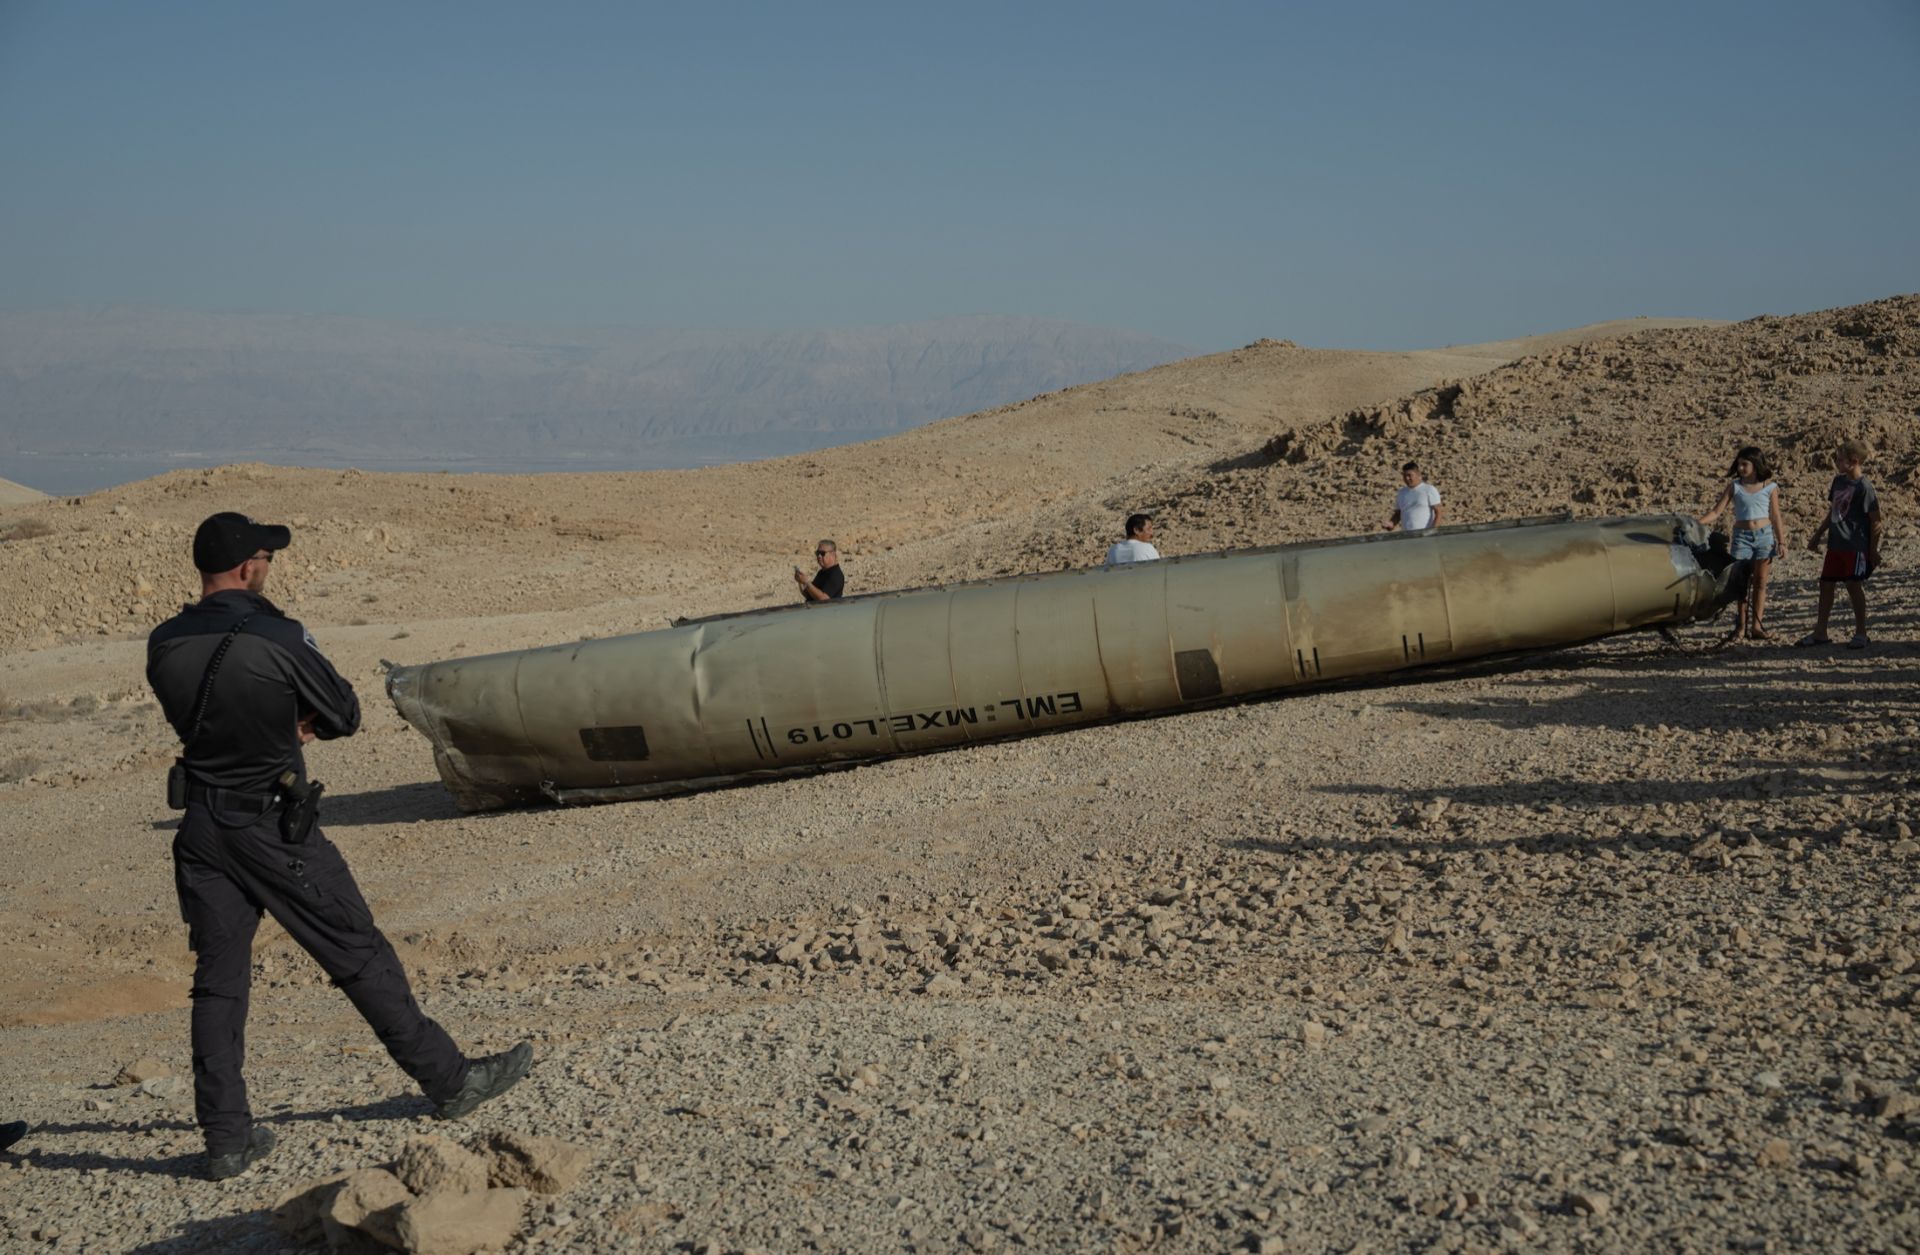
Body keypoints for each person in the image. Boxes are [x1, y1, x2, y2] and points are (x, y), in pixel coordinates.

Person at [148, 512, 533, 1181]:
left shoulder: (163, 641)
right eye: (266, 556)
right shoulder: (278, 634)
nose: (270, 565)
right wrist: (293, 725)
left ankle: (227, 1138)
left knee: (218, 984)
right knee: (356, 949)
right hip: (271, 825)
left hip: (202, 828)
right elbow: (345, 713)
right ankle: (450, 1079)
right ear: (247, 568)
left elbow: (201, 719)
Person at [1798, 441, 1882, 649]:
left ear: (1853, 462)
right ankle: (1820, 632)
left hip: (1855, 546)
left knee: (1853, 586)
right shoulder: (1838, 482)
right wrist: (1818, 535)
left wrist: (1872, 551)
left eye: (1839, 459)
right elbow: (1833, 512)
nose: (1835, 462)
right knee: (1826, 585)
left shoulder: (1864, 487)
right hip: (1836, 544)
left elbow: (1876, 521)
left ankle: (1861, 632)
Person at [1698, 445, 1786, 642]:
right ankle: (1740, 627)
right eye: (1738, 464)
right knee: (1741, 584)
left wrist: (1782, 541)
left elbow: (1776, 515)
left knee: (1761, 582)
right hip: (1742, 538)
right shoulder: (1735, 487)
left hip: (1764, 537)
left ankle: (1756, 626)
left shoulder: (1769, 487)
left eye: (1744, 464)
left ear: (1755, 465)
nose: (1740, 468)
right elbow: (1716, 512)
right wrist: (1697, 523)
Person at [1386, 463, 1444, 532]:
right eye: (1404, 476)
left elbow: (1439, 512)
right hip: (1407, 536)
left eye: (1409, 475)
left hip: (1425, 535)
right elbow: (1398, 514)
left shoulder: (1429, 489)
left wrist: (1432, 531)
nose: (1407, 478)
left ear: (1418, 474)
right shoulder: (1401, 493)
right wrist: (1391, 524)